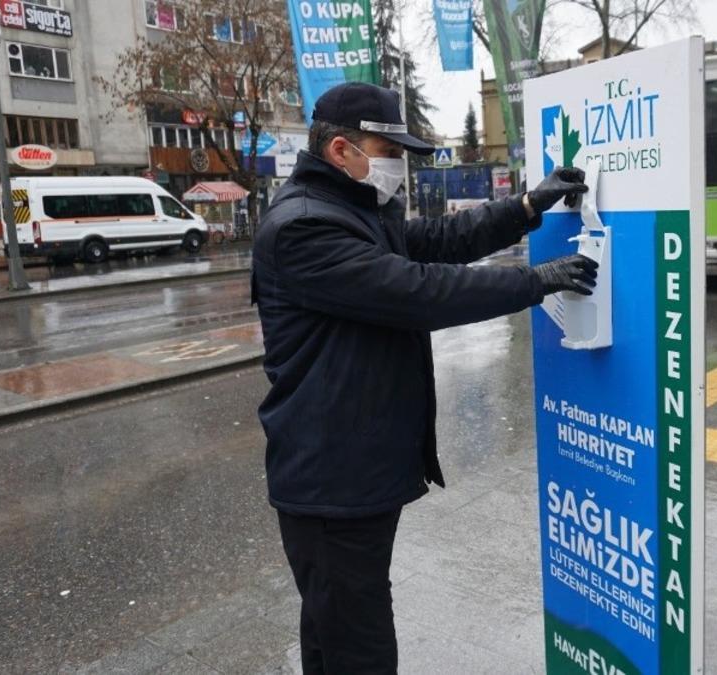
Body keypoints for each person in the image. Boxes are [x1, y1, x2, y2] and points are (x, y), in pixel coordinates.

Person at [251, 81, 598, 674]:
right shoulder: (305, 227)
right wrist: (535, 282)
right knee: (356, 645)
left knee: (333, 628)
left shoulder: (352, 210)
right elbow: (417, 291)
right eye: (390, 153)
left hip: (347, 472)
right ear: (342, 151)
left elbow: (439, 242)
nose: (399, 169)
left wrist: (526, 206)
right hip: (329, 481)